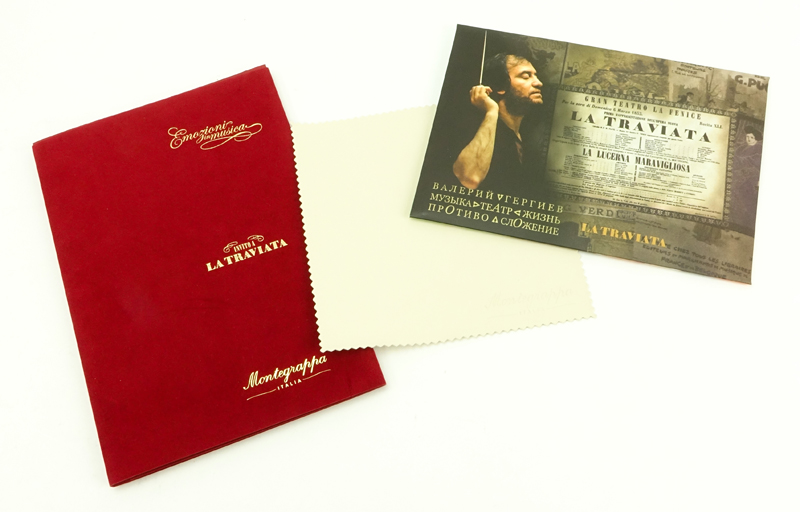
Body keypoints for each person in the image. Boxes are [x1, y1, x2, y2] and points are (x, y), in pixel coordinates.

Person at [452, 52, 545, 194]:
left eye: (535, 75)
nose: (538, 83)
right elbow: (470, 179)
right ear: (500, 85)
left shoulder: (528, 142)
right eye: (526, 76)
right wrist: (491, 111)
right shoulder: (475, 130)